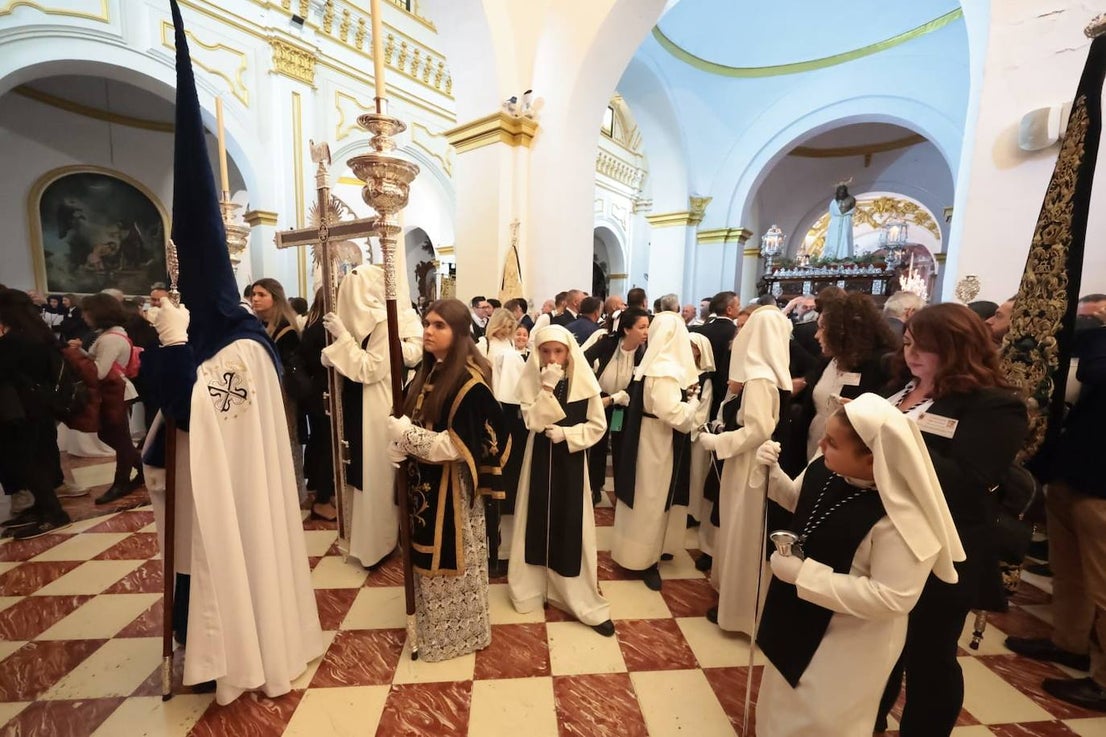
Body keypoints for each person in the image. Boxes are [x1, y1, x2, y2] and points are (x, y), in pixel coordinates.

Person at [143, 5, 324, 703]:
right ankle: (207, 644)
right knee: (200, 562)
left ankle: (240, 652)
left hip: (231, 492)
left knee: (233, 554)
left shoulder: (245, 351)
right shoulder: (224, 341)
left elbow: (191, 400)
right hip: (199, 487)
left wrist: (171, 346)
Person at [752, 395, 964, 737]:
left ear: (873, 459)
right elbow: (803, 503)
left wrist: (804, 575)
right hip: (797, 619)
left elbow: (894, 597)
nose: (820, 444)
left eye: (832, 443)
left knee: (822, 720)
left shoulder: (902, 519)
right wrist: (773, 475)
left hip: (850, 642)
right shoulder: (827, 467)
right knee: (780, 709)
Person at [874, 303, 1028, 736]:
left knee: (929, 654)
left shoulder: (994, 406)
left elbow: (971, 478)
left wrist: (888, 444)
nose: (913, 355)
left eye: (928, 347)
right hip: (883, 535)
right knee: (879, 646)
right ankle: (869, 719)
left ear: (961, 348)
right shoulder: (902, 387)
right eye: (908, 344)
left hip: (943, 545)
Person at [386, 298, 511, 662]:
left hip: (452, 492)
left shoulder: (469, 383)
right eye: (427, 323)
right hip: (424, 481)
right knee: (424, 564)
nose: (428, 330)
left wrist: (407, 437)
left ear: (459, 333)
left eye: (439, 325)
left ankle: (458, 636)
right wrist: (401, 445)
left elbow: (456, 445)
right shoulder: (428, 373)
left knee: (453, 563)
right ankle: (431, 630)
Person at [1005, 318, 1106, 710]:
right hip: (1073, 472)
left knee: (1102, 588)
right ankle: (1069, 643)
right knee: (1070, 570)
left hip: (1100, 485)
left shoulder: (1098, 346)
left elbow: (1096, 368)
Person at [509, 324, 613, 635]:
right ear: (537, 353)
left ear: (569, 353)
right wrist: (547, 389)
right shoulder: (534, 381)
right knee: (534, 519)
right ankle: (534, 586)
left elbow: (598, 425)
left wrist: (567, 433)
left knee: (571, 524)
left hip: (570, 460)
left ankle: (572, 593)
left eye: (558, 351)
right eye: (545, 351)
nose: (552, 357)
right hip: (537, 458)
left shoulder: (584, 382)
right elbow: (533, 421)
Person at [320, 265, 423, 567]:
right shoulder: (375, 322)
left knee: (374, 474)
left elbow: (370, 368)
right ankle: (364, 541)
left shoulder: (383, 323)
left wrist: (341, 341)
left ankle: (376, 544)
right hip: (362, 402)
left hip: (376, 406)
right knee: (361, 472)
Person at [697, 305, 792, 631]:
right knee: (737, 529)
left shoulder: (760, 380)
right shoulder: (762, 377)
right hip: (745, 462)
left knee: (744, 535)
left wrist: (718, 444)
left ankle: (740, 612)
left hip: (749, 465)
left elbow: (758, 430)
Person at [610, 311, 701, 590]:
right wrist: (695, 404)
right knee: (651, 499)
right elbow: (672, 413)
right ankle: (645, 559)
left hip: (647, 438)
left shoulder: (653, 364)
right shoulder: (664, 371)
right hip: (657, 442)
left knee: (644, 497)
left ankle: (636, 553)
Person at [0, 289, 71, 538]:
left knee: (28, 460)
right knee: (39, 455)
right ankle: (42, 508)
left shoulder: (14, 341)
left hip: (22, 408)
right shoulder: (39, 333)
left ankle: (53, 513)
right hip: (40, 404)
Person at [802, 293, 897, 461]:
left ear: (844, 331)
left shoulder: (879, 364)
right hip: (815, 441)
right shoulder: (828, 360)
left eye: (823, 328)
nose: (816, 335)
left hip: (851, 453)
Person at [80, 293, 144, 505]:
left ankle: (122, 481)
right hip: (115, 390)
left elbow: (98, 372)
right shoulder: (111, 335)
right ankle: (141, 469)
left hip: (115, 391)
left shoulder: (110, 339)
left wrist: (75, 357)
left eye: (86, 312)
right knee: (113, 436)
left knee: (119, 437)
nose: (84, 316)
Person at [583, 307, 649, 505]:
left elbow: (640, 383)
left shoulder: (645, 352)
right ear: (628, 329)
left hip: (623, 403)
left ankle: (622, 489)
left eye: (648, 327)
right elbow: (583, 359)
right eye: (642, 327)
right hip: (601, 399)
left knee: (621, 445)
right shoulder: (609, 343)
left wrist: (620, 396)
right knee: (598, 445)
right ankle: (595, 487)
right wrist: (592, 386)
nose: (646, 332)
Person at [685, 332, 715, 529]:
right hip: (680, 428)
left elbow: (703, 409)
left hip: (694, 432)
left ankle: (693, 512)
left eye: (692, 347)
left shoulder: (705, 378)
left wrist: (689, 426)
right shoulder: (682, 371)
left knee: (696, 473)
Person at [824, 183, 857, 261]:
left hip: (846, 220)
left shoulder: (851, 199)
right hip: (836, 222)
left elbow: (852, 208)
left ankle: (844, 255)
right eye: (839, 192)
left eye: (843, 191)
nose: (841, 193)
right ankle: (832, 256)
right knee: (833, 238)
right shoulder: (834, 202)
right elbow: (832, 212)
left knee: (845, 237)